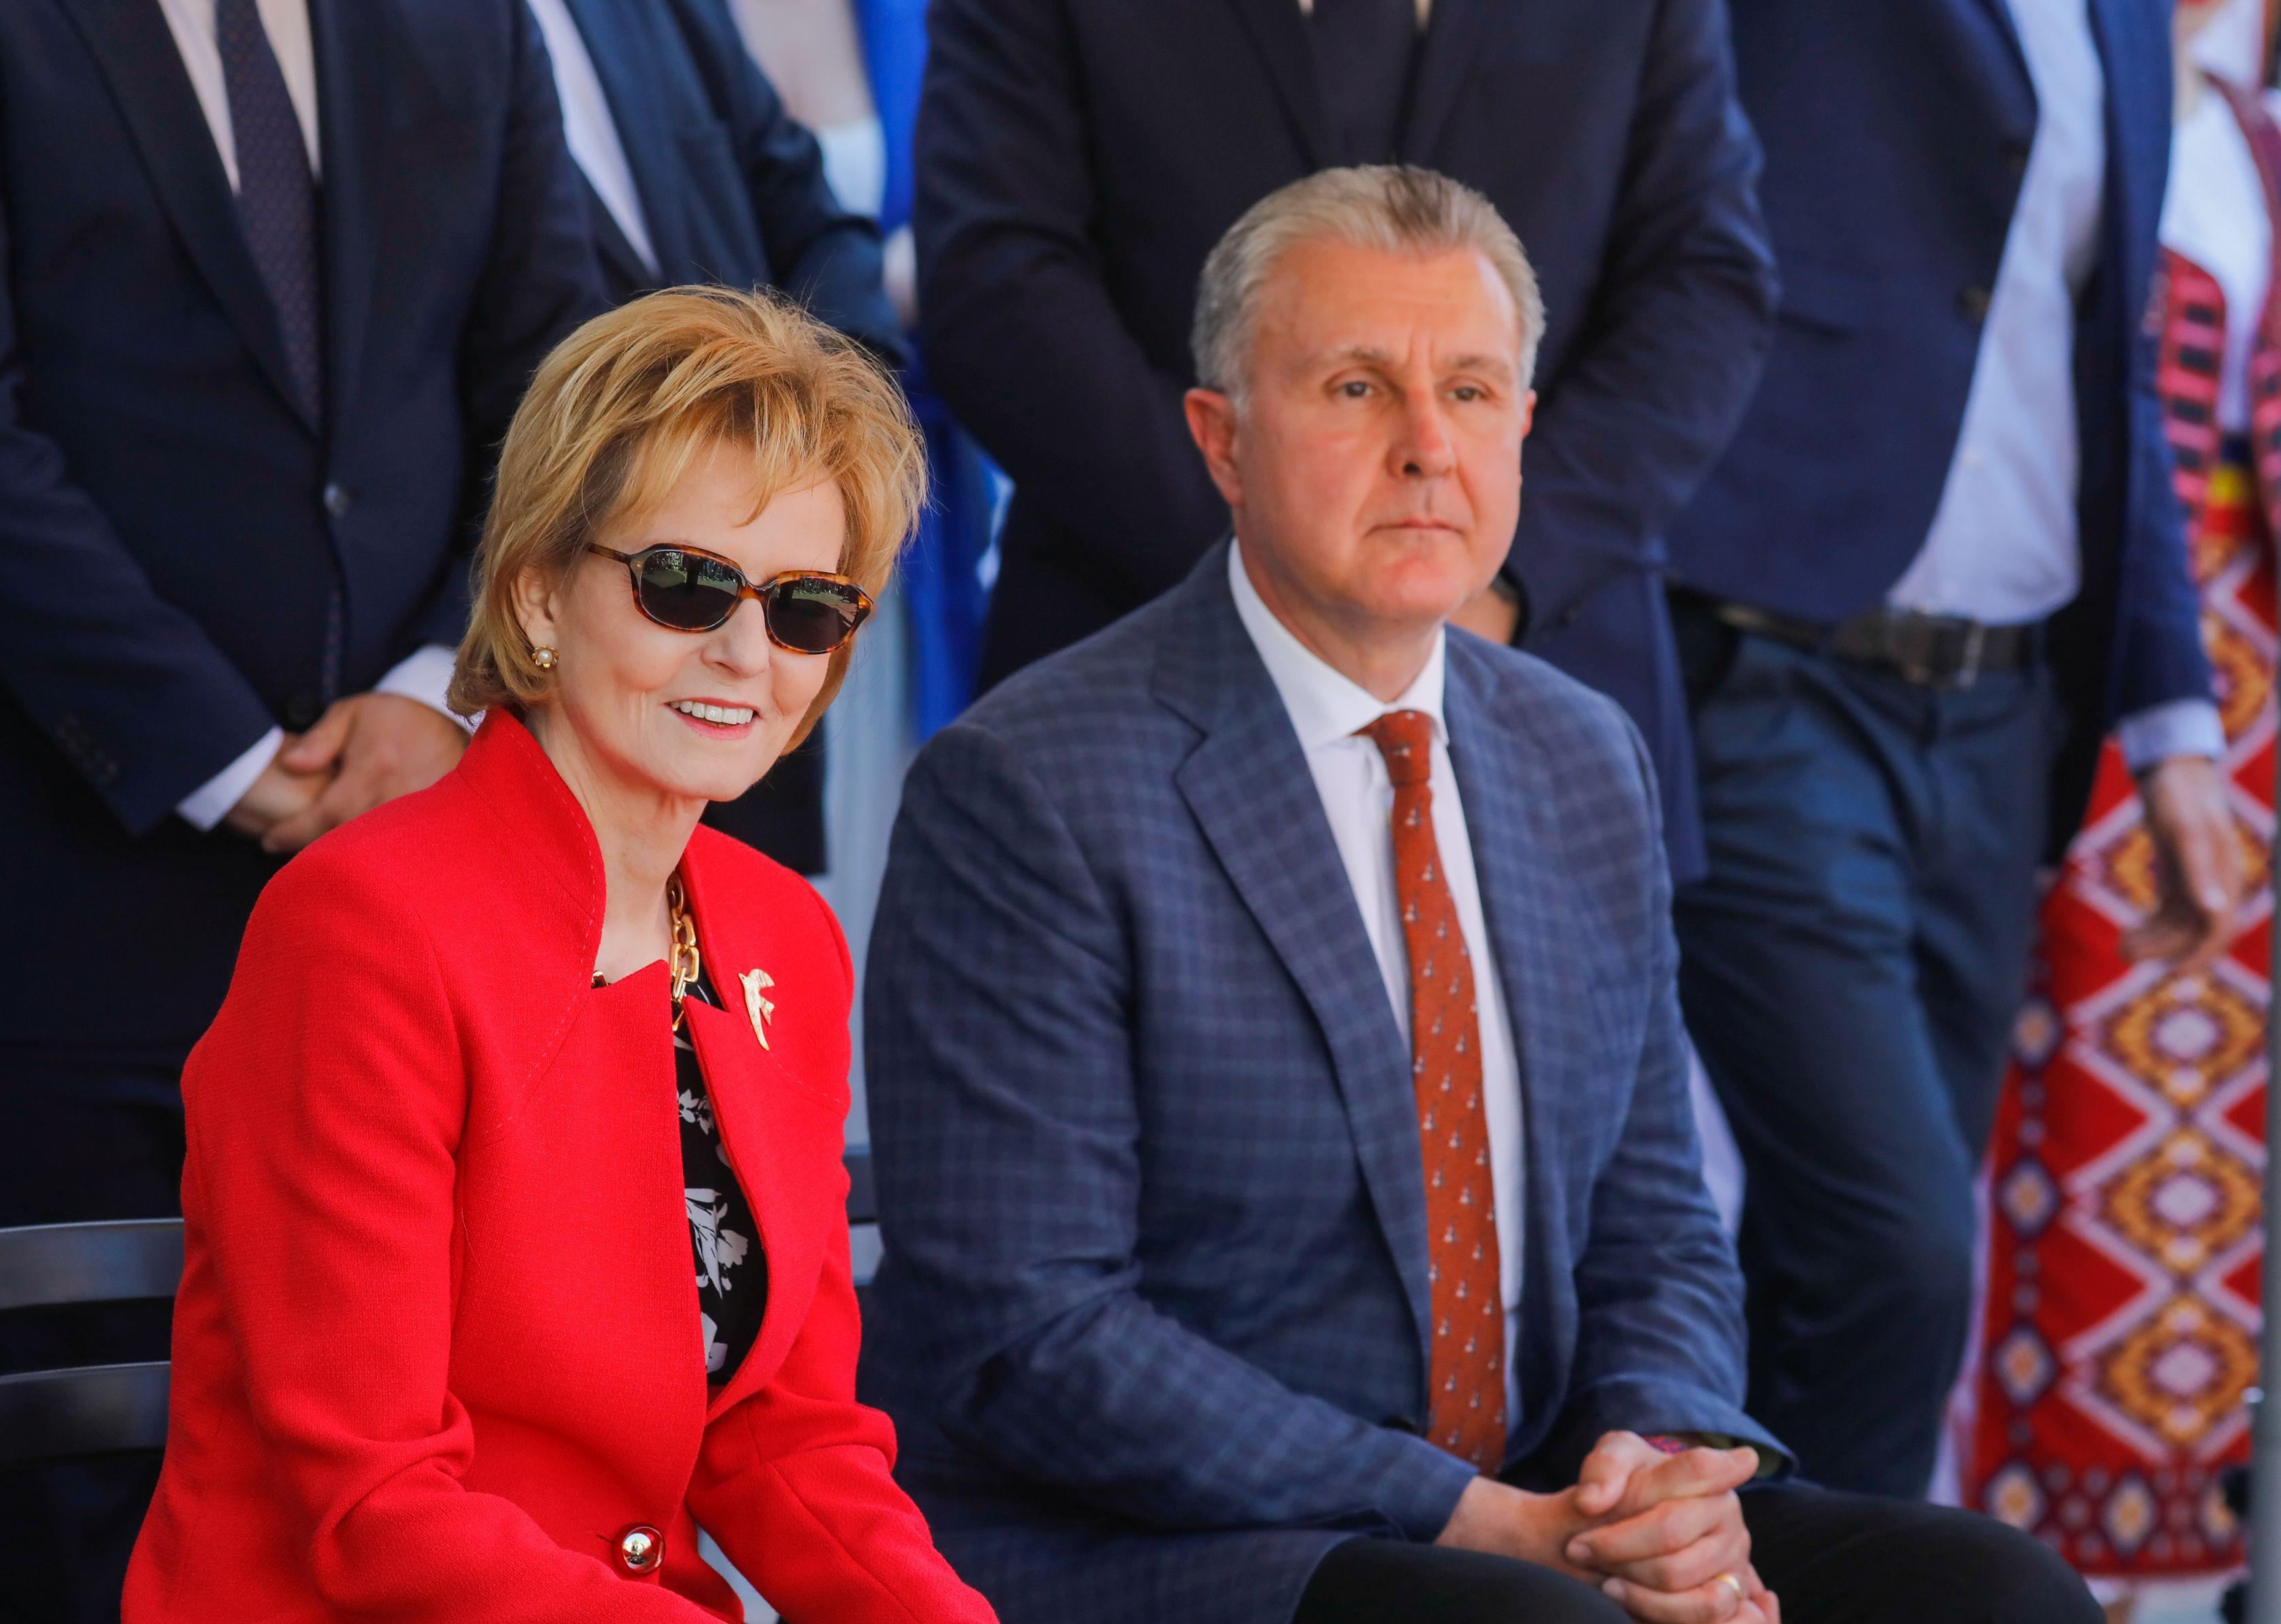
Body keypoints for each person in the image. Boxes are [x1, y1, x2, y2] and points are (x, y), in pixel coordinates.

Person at [860, 166, 2097, 1624]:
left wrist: (1657, 1476)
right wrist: (1475, 1522)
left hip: (1538, 1498)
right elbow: (1032, 1334)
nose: (1426, 447)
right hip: (1168, 1535)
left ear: (1523, 426)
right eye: (1356, 388)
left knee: (1997, 1593)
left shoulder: (1585, 753)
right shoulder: (1028, 784)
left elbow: (1654, 1225)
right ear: (1223, 440)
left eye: (1470, 389)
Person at [0, 0, 600, 1613]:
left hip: (413, 921)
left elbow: (562, 386)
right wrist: (225, 758)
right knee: (56, 1546)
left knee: (410, 1508)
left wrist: (442, 688)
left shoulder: (468, 21)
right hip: (47, 938)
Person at [125, 287, 994, 1624]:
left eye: (807, 609)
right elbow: (380, 1507)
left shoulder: (786, 936)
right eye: (685, 584)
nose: (745, 652)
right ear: (537, 594)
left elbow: (786, 1436)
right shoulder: (361, 927)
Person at [1664, 0, 2240, 1498]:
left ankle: (1768, 1574)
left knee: (1851, 1264)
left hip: (2002, 721)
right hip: (1773, 675)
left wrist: (2171, 725)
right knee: (1898, 1248)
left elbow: (2110, 376)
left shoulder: (2130, 23)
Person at [912, 0, 1779, 879]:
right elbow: (997, 282)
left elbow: (1704, 284)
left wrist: (1494, 573)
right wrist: (1282, 581)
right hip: (1138, 665)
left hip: (1549, 659)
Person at [1967, 0, 2276, 1581]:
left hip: (2248, 683)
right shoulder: (2073, 74)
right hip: (2115, 643)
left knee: (2226, 1146)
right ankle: (2031, 1528)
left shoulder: (2249, 138)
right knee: (2058, 1075)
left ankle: (2194, 1528)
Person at [527, 0, 906, 874]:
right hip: (532, 695)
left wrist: (822, 438)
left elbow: (810, 214)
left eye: (814, 606)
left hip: (750, 791)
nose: (747, 648)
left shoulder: (663, 10)